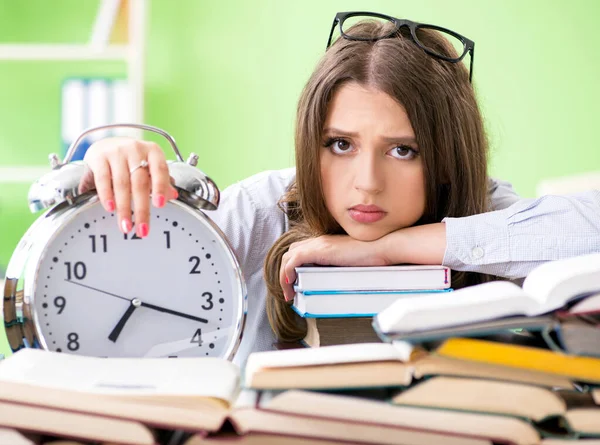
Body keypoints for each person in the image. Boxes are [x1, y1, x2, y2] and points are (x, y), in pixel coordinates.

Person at [80, 12, 600, 364]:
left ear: (445, 159)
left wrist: (393, 248)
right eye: (340, 145)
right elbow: (94, 284)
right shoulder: (264, 209)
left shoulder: (481, 211)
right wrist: (106, 177)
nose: (367, 184)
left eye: (404, 150)